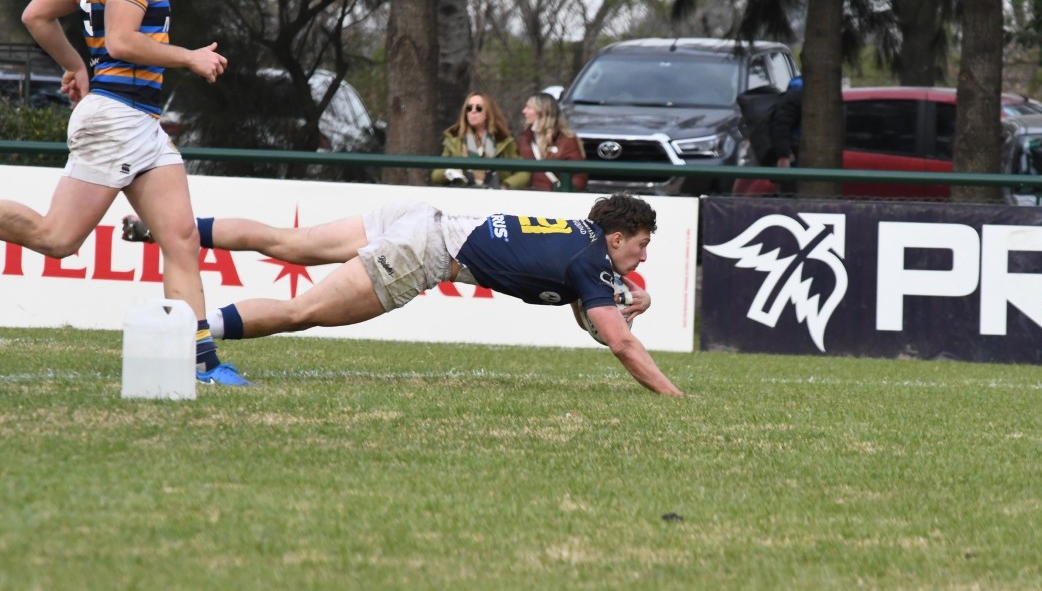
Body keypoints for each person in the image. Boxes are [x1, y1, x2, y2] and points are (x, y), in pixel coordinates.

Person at [121, 193, 683, 396]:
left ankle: (171, 228)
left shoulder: (584, 242)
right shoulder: (591, 264)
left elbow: (590, 303)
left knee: (289, 242)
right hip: (423, 251)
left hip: (421, 217)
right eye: (641, 244)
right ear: (616, 237)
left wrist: (637, 296)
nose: (643, 256)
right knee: (301, 311)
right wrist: (672, 395)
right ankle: (186, 334)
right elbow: (617, 341)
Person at [4, 0, 249, 386]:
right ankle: (201, 363)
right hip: (118, 119)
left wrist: (76, 66)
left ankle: (201, 363)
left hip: (138, 122)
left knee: (181, 238)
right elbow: (120, 41)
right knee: (57, 238)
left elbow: (36, 14)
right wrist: (189, 57)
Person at [431, 92, 525, 189]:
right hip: (463, 193)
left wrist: (506, 185)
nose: (473, 111)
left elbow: (523, 171)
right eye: (469, 108)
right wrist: (450, 172)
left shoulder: (502, 139)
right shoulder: (454, 138)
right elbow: (436, 174)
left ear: (488, 112)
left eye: (479, 108)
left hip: (493, 194)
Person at [516, 93, 588, 192]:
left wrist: (565, 194)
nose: (524, 111)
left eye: (529, 108)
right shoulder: (524, 138)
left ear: (543, 111)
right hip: (526, 196)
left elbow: (579, 177)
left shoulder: (566, 141)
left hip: (553, 197)